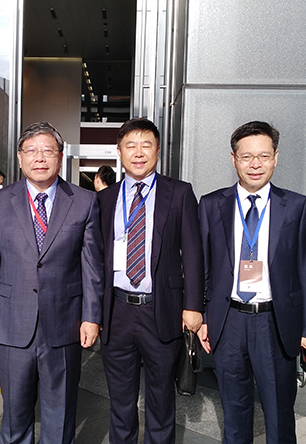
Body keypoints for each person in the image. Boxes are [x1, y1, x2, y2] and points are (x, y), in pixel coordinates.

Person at [0, 121, 104, 444]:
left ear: (60, 156)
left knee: (60, 414)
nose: (40, 158)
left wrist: (91, 317)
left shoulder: (84, 201)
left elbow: (92, 267)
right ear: (20, 157)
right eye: (31, 151)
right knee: (15, 415)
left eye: (48, 150)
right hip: (12, 322)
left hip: (64, 323)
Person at [197, 121, 306, 444]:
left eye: (264, 156)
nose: (255, 164)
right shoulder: (211, 205)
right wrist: (203, 316)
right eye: (247, 156)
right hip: (229, 321)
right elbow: (202, 266)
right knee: (234, 416)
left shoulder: (297, 206)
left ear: (276, 157)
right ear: (234, 159)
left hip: (275, 323)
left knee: (279, 417)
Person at [96, 118, 204, 444]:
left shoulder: (179, 193)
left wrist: (193, 306)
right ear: (119, 152)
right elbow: (95, 258)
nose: (138, 153)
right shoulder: (104, 199)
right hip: (116, 311)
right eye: (131, 145)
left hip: (161, 309)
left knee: (161, 399)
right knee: (120, 401)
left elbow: (193, 253)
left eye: (146, 145)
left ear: (158, 150)